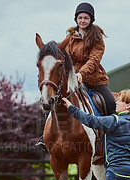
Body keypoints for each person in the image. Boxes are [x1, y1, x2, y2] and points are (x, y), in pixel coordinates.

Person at [35, 2, 116, 150]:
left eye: (86, 18)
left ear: (91, 19)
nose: (83, 21)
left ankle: (115, 134)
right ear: (76, 19)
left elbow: (94, 59)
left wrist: (82, 73)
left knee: (110, 102)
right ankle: (44, 136)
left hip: (94, 79)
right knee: (52, 100)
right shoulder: (70, 37)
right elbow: (63, 57)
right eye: (80, 18)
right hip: (73, 80)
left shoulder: (97, 37)